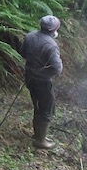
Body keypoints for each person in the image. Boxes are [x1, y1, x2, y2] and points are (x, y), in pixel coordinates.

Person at [20, 15, 63, 149]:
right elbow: (57, 68)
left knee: (37, 106)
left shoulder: (30, 36)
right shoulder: (51, 45)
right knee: (46, 109)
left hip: (29, 78)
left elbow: (23, 53)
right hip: (43, 82)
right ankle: (40, 141)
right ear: (54, 30)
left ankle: (38, 134)